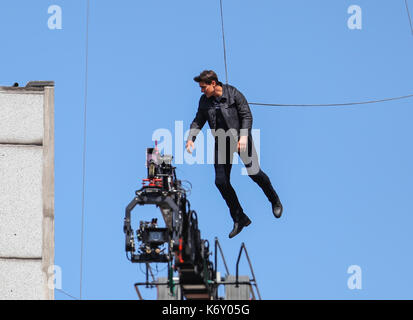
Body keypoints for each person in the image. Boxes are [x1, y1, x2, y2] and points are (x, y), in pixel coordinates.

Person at [186, 70, 283, 238]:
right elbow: (198, 120)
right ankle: (239, 217)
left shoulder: (233, 94)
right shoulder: (204, 101)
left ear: (213, 84)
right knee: (221, 182)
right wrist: (190, 138)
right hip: (222, 143)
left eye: (203, 87)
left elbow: (246, 115)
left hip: (240, 139)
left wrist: (244, 137)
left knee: (254, 173)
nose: (202, 91)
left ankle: (274, 200)